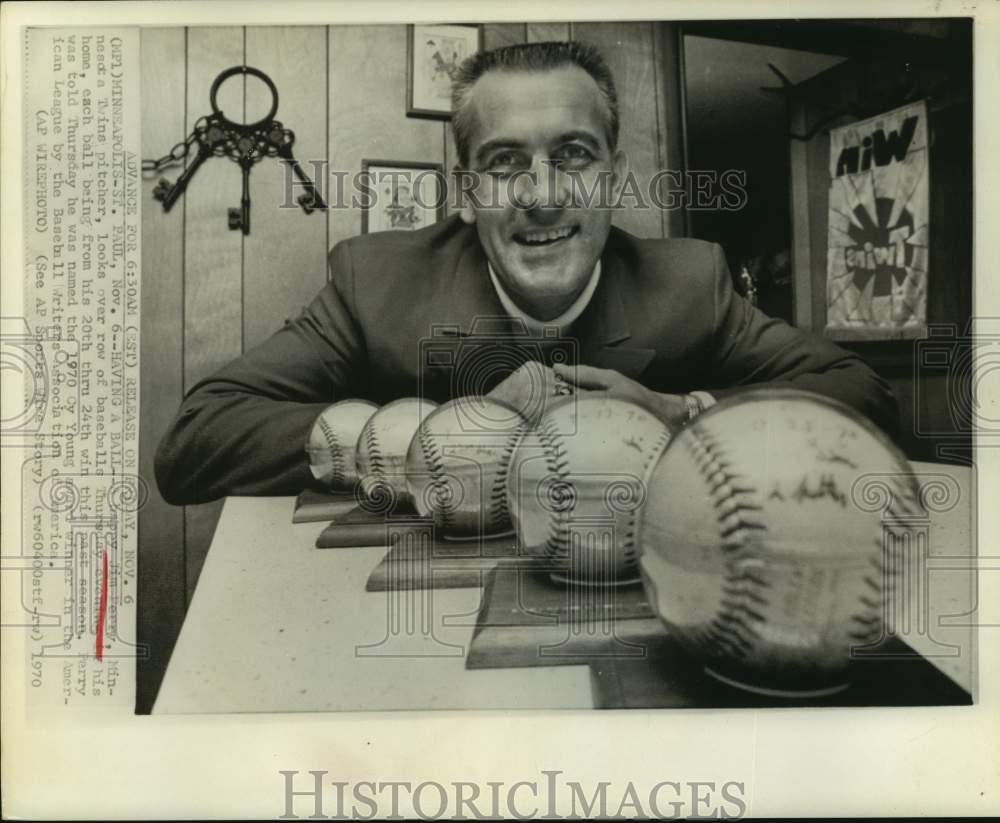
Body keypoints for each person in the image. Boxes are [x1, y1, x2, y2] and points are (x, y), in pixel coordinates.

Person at [155, 41, 897, 506]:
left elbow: (863, 394)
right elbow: (195, 442)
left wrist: (681, 412)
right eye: (505, 162)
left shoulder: (689, 281)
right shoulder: (376, 281)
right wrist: (425, 437)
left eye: (573, 155)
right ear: (468, 191)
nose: (543, 196)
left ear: (612, 176)